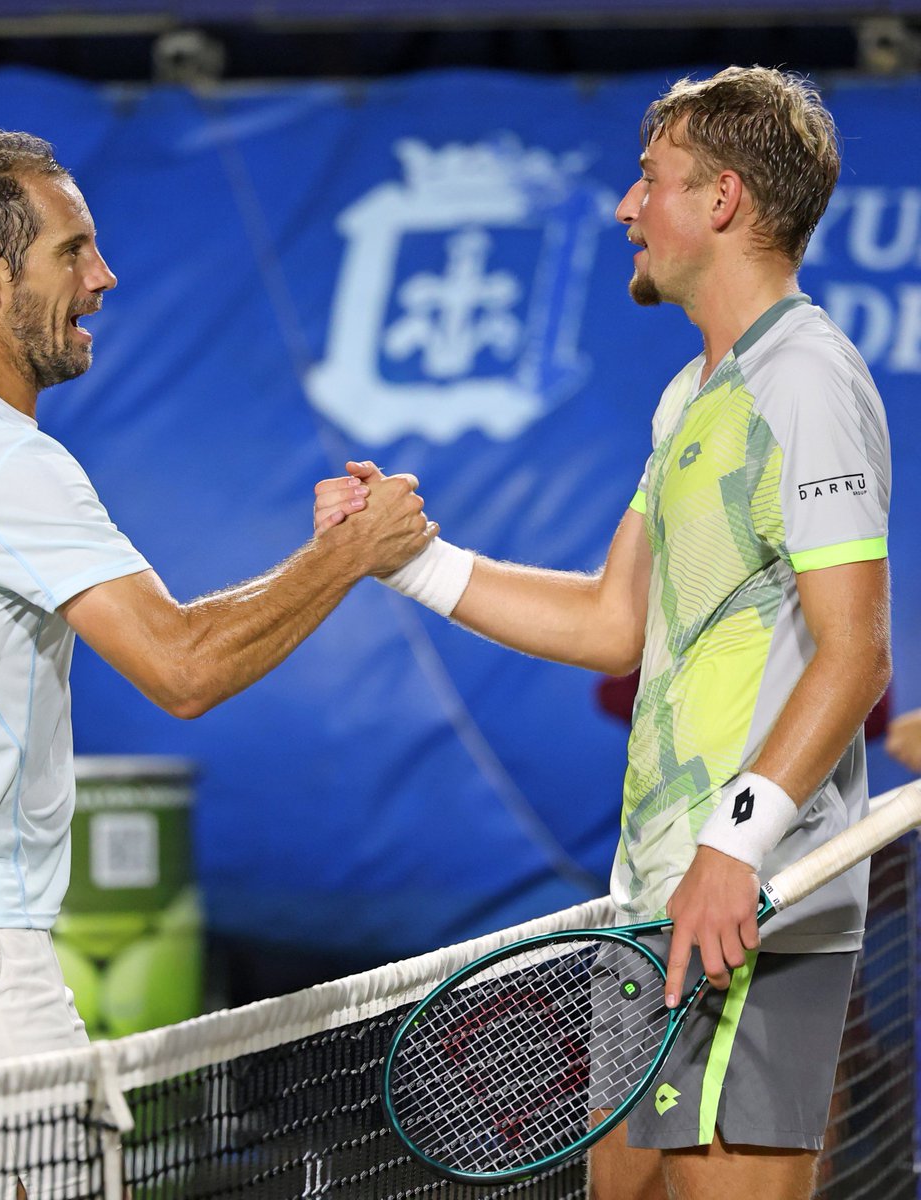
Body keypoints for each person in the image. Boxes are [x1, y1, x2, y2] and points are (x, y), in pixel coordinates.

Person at [0, 129, 433, 1083]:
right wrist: (350, 554)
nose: (103, 277)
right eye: (73, 250)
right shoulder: (8, 466)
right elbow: (184, 668)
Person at [316, 67, 890, 1200]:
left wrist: (734, 846)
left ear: (722, 199)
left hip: (747, 910)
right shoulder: (693, 396)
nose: (627, 207)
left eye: (650, 181)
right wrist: (413, 560)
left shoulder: (808, 381)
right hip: (659, 908)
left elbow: (855, 649)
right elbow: (610, 620)